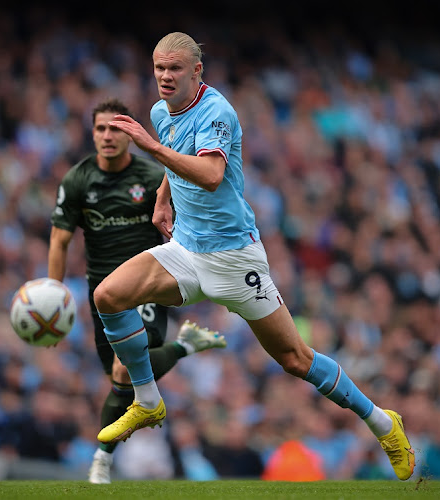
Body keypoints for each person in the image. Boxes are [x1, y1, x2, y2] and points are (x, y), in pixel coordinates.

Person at [91, 32, 416, 481]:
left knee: (296, 360)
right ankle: (147, 401)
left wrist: (149, 147)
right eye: (159, 68)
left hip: (234, 258)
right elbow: (176, 161)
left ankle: (383, 422)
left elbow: (209, 174)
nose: (165, 77)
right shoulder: (159, 113)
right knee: (109, 295)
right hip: (186, 249)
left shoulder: (217, 112)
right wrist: (163, 197)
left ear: (196, 71)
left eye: (174, 69)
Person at [48, 98, 227, 484]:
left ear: (129, 134)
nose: (108, 136)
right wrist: (52, 294)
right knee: (119, 376)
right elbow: (60, 241)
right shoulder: (78, 180)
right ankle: (184, 346)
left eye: (116, 128)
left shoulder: (150, 178)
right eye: (100, 129)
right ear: (92, 133)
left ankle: (103, 459)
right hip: (102, 290)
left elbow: (180, 221)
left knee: (124, 369)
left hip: (146, 284)